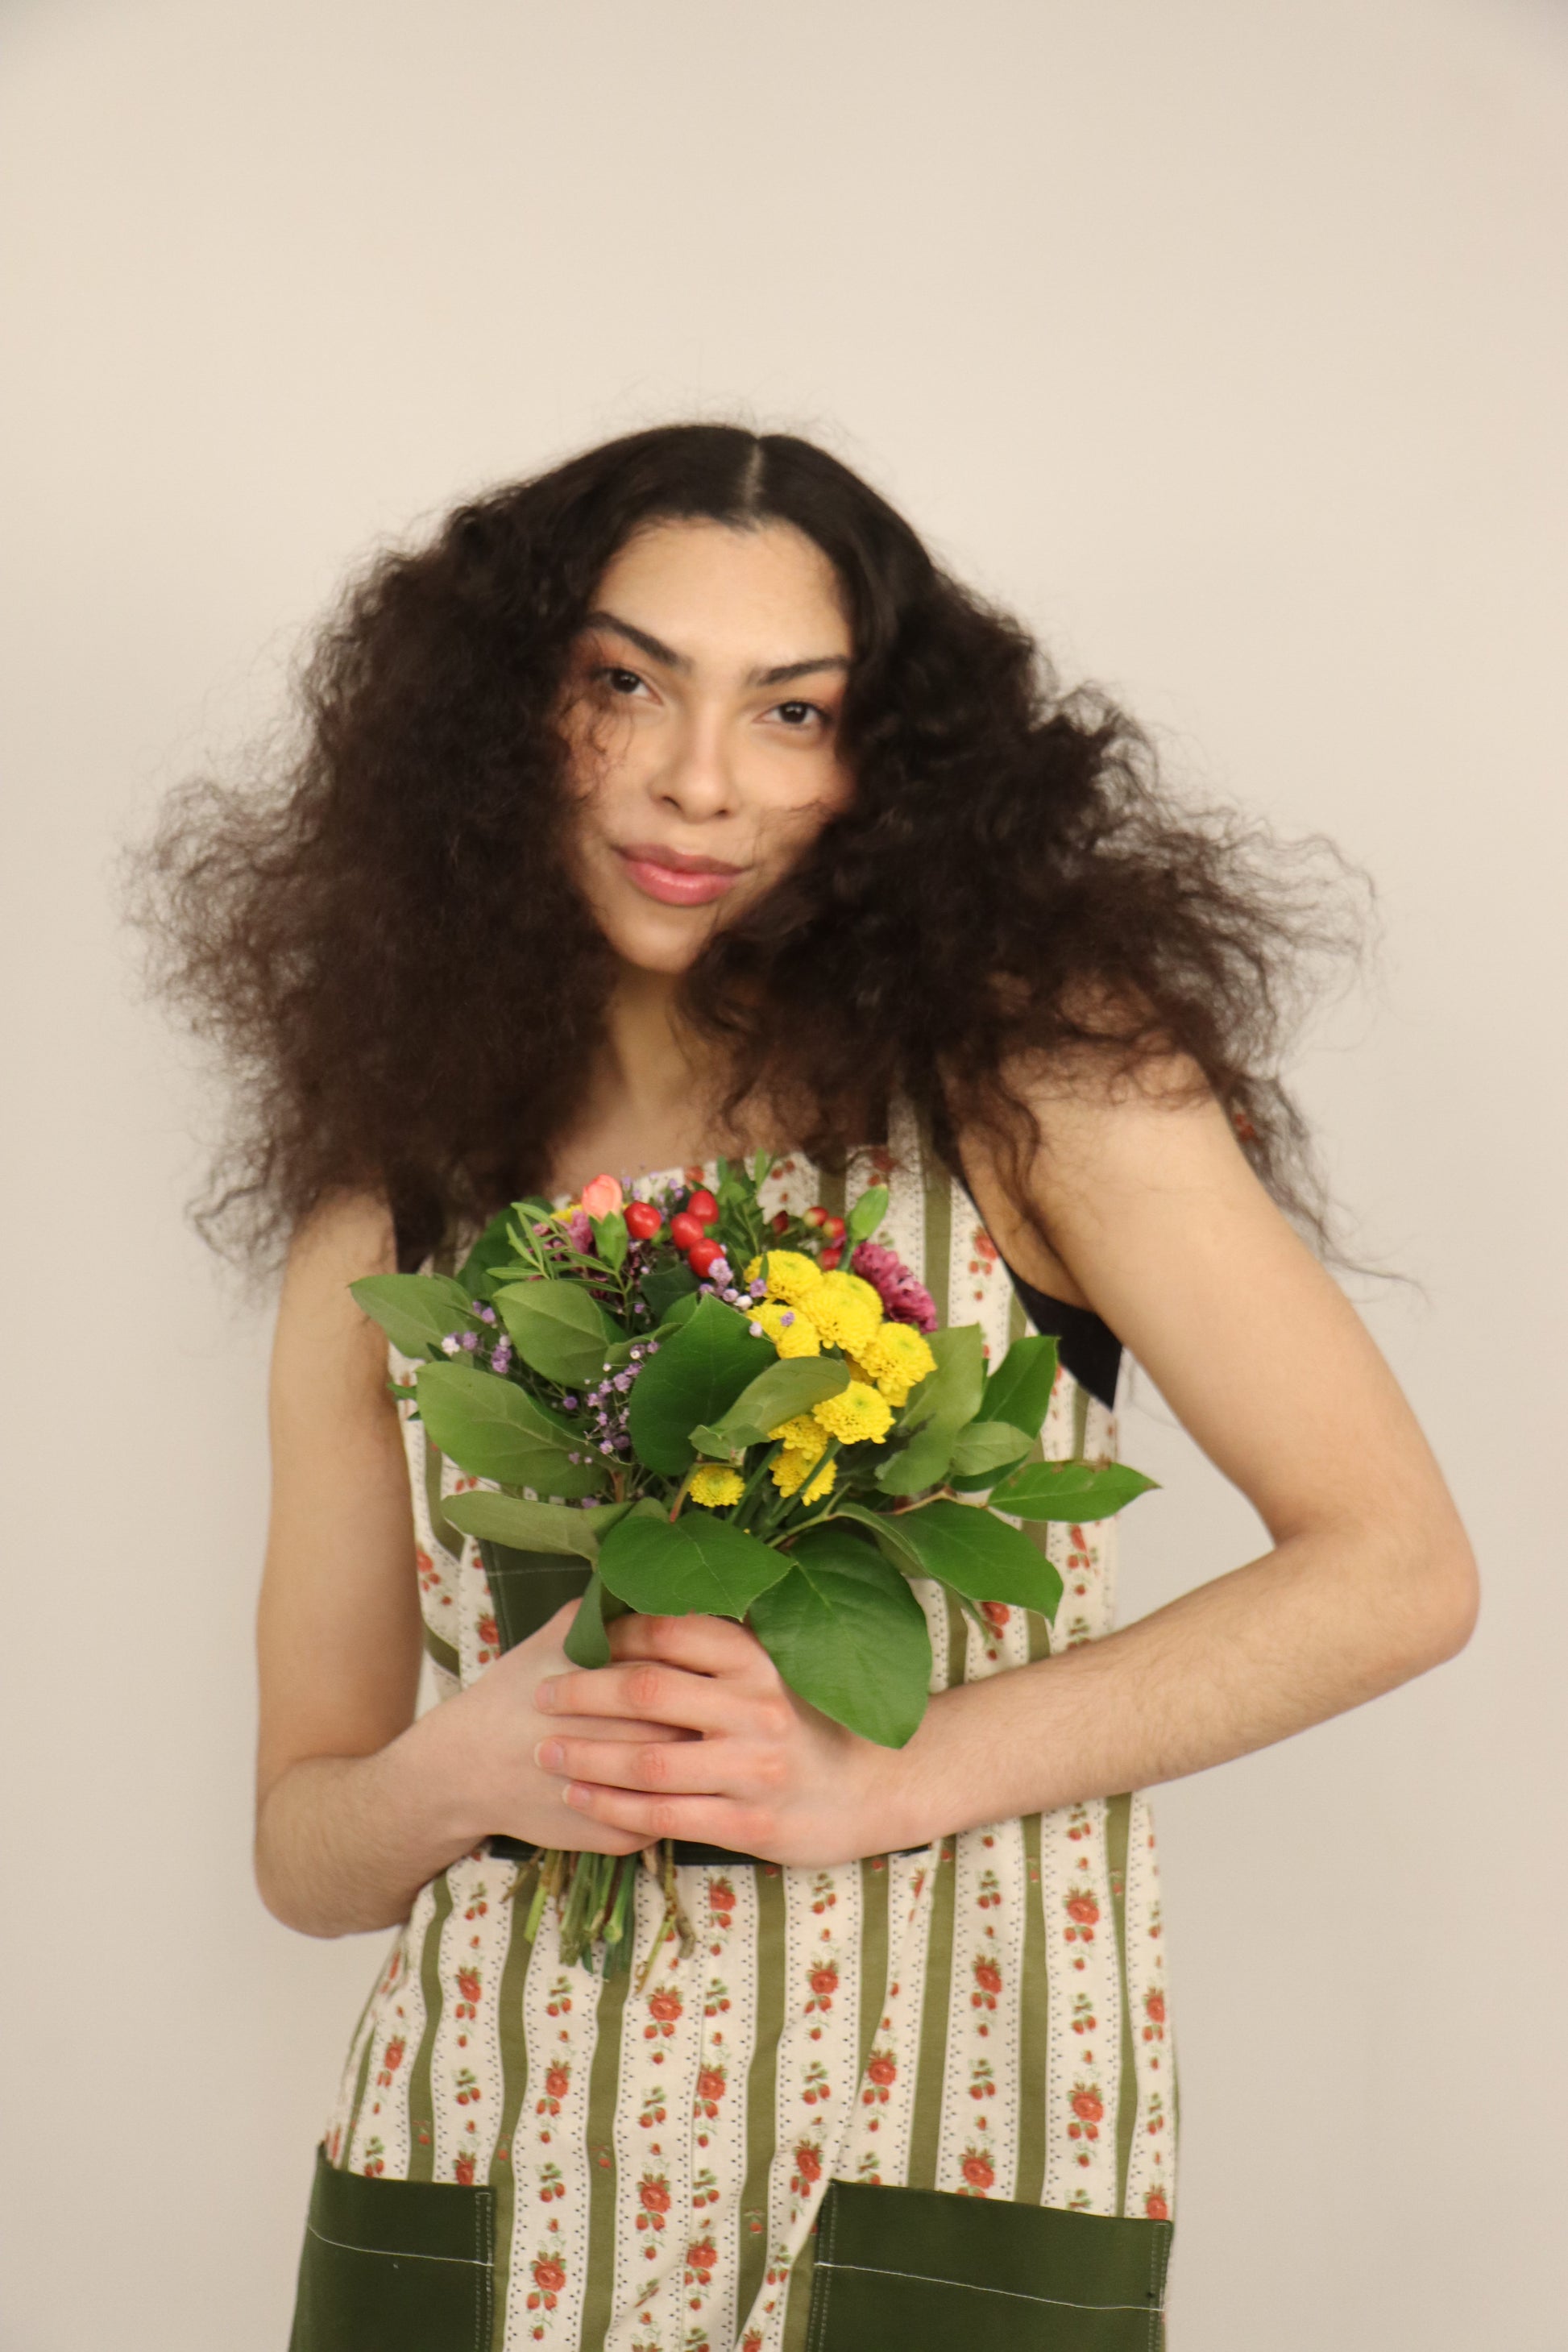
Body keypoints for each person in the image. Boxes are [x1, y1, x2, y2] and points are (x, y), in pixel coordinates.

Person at [139, 424, 1477, 2350]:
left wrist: (892, 1774)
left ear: (889, 768)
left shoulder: (1032, 1090)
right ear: (499, 716)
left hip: (930, 2137)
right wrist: (458, 1770)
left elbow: (1395, 1567)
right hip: (483, 2152)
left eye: (793, 710)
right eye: (623, 683)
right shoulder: (394, 1205)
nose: (698, 778)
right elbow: (302, 1844)